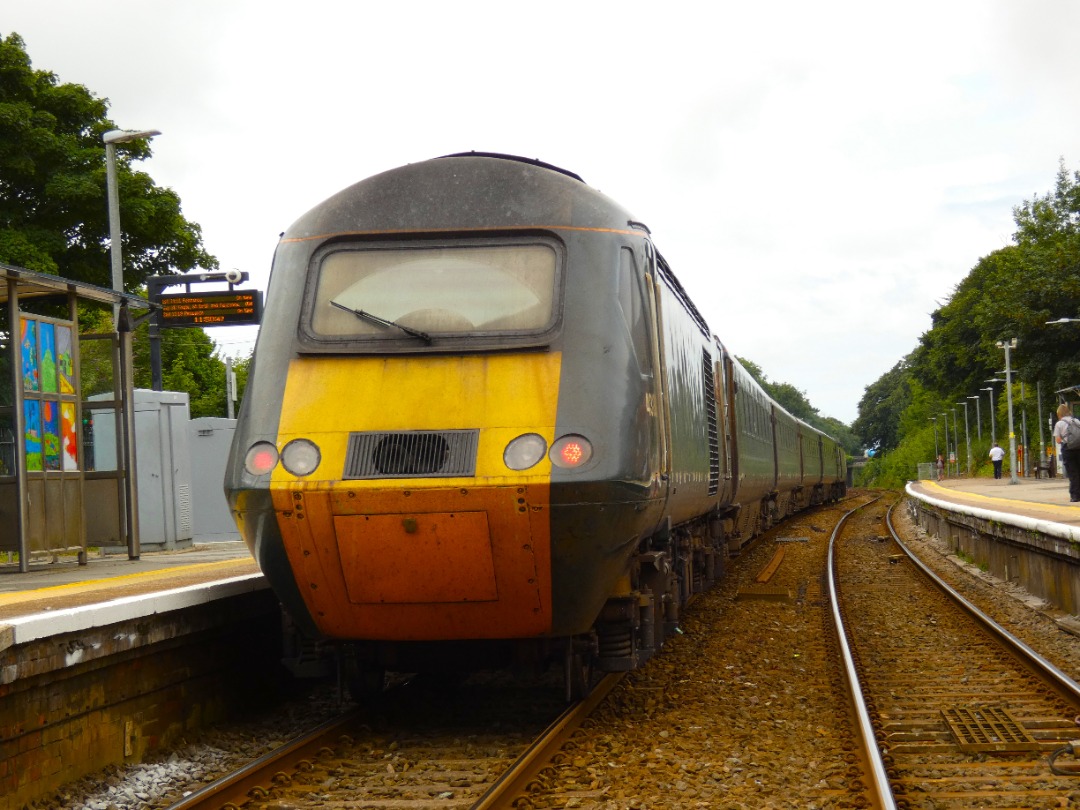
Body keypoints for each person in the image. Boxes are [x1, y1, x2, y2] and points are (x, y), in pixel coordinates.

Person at [1053, 403, 1080, 503]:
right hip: (1078, 448)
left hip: (1068, 449)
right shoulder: (1076, 421)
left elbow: (1058, 440)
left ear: (1059, 413)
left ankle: (1075, 496)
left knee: (1073, 473)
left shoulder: (1059, 424)